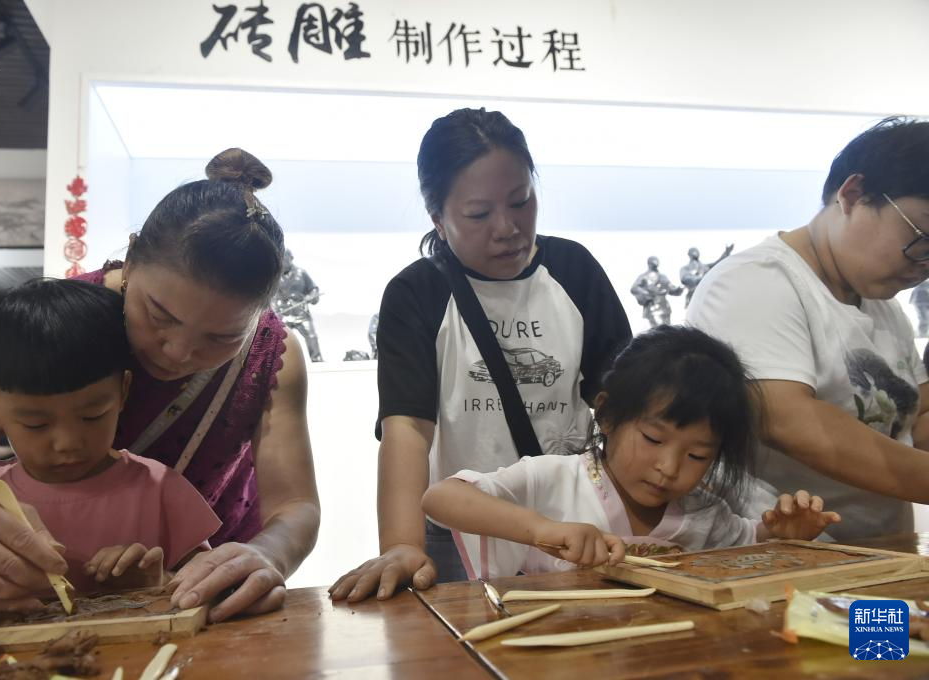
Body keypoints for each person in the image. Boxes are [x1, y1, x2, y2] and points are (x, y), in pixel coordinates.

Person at [0, 148, 319, 623]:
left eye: (221, 338)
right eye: (159, 316)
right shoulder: (42, 329)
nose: (178, 353)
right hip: (35, 595)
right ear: (132, 257)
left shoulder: (273, 356)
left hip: (199, 589)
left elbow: (295, 506)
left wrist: (266, 553)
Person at [329, 108, 631, 602]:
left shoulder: (574, 270)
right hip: (462, 530)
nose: (507, 227)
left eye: (521, 201)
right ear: (438, 218)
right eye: (478, 214)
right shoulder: (417, 293)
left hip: (573, 525)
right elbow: (407, 429)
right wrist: (403, 546)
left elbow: (622, 402)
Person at [0, 279, 220, 628]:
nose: (68, 443)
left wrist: (156, 585)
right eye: (36, 424)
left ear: (123, 391)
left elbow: (205, 590)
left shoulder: (160, 490)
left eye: (92, 416)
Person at [422, 325, 840, 578]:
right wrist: (540, 529)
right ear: (606, 415)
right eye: (654, 439)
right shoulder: (557, 480)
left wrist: (779, 535)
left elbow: (747, 540)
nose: (669, 468)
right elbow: (441, 497)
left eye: (698, 456)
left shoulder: (703, 514)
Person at [687, 117, 929, 541]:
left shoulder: (881, 302)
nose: (924, 266)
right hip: (786, 561)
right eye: (922, 240)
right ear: (852, 194)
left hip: (877, 558)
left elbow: (917, 418)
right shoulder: (756, 282)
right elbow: (789, 421)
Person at [273, 250, 324, 362]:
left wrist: (311, 296)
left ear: (291, 259)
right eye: (281, 260)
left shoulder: (301, 273)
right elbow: (269, 296)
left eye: (285, 259)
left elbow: (314, 289)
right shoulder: (274, 275)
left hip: (301, 313)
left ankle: (317, 359)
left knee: (311, 336)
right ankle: (276, 364)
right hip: (283, 314)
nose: (283, 262)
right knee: (277, 339)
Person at [630, 256, 683, 327]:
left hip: (664, 308)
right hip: (652, 308)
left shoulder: (663, 276)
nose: (655, 264)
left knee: (667, 329)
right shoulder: (644, 277)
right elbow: (634, 289)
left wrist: (680, 288)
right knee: (658, 330)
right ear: (649, 264)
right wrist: (647, 294)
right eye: (653, 262)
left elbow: (672, 289)